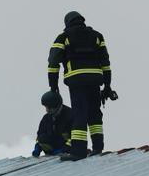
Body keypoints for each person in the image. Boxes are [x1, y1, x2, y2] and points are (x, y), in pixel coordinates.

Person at [47, 10, 116, 161]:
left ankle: (78, 152)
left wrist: (53, 86)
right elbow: (105, 62)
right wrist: (108, 85)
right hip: (95, 80)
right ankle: (98, 147)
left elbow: (53, 62)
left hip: (76, 80)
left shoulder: (63, 37)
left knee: (80, 114)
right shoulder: (97, 36)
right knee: (94, 114)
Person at [32, 89, 72, 157]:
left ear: (57, 105)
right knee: (42, 138)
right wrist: (38, 146)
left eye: (49, 107)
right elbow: (40, 134)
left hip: (68, 149)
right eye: (46, 107)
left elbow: (75, 138)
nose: (47, 110)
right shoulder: (46, 118)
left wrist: (63, 150)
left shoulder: (70, 115)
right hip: (53, 151)